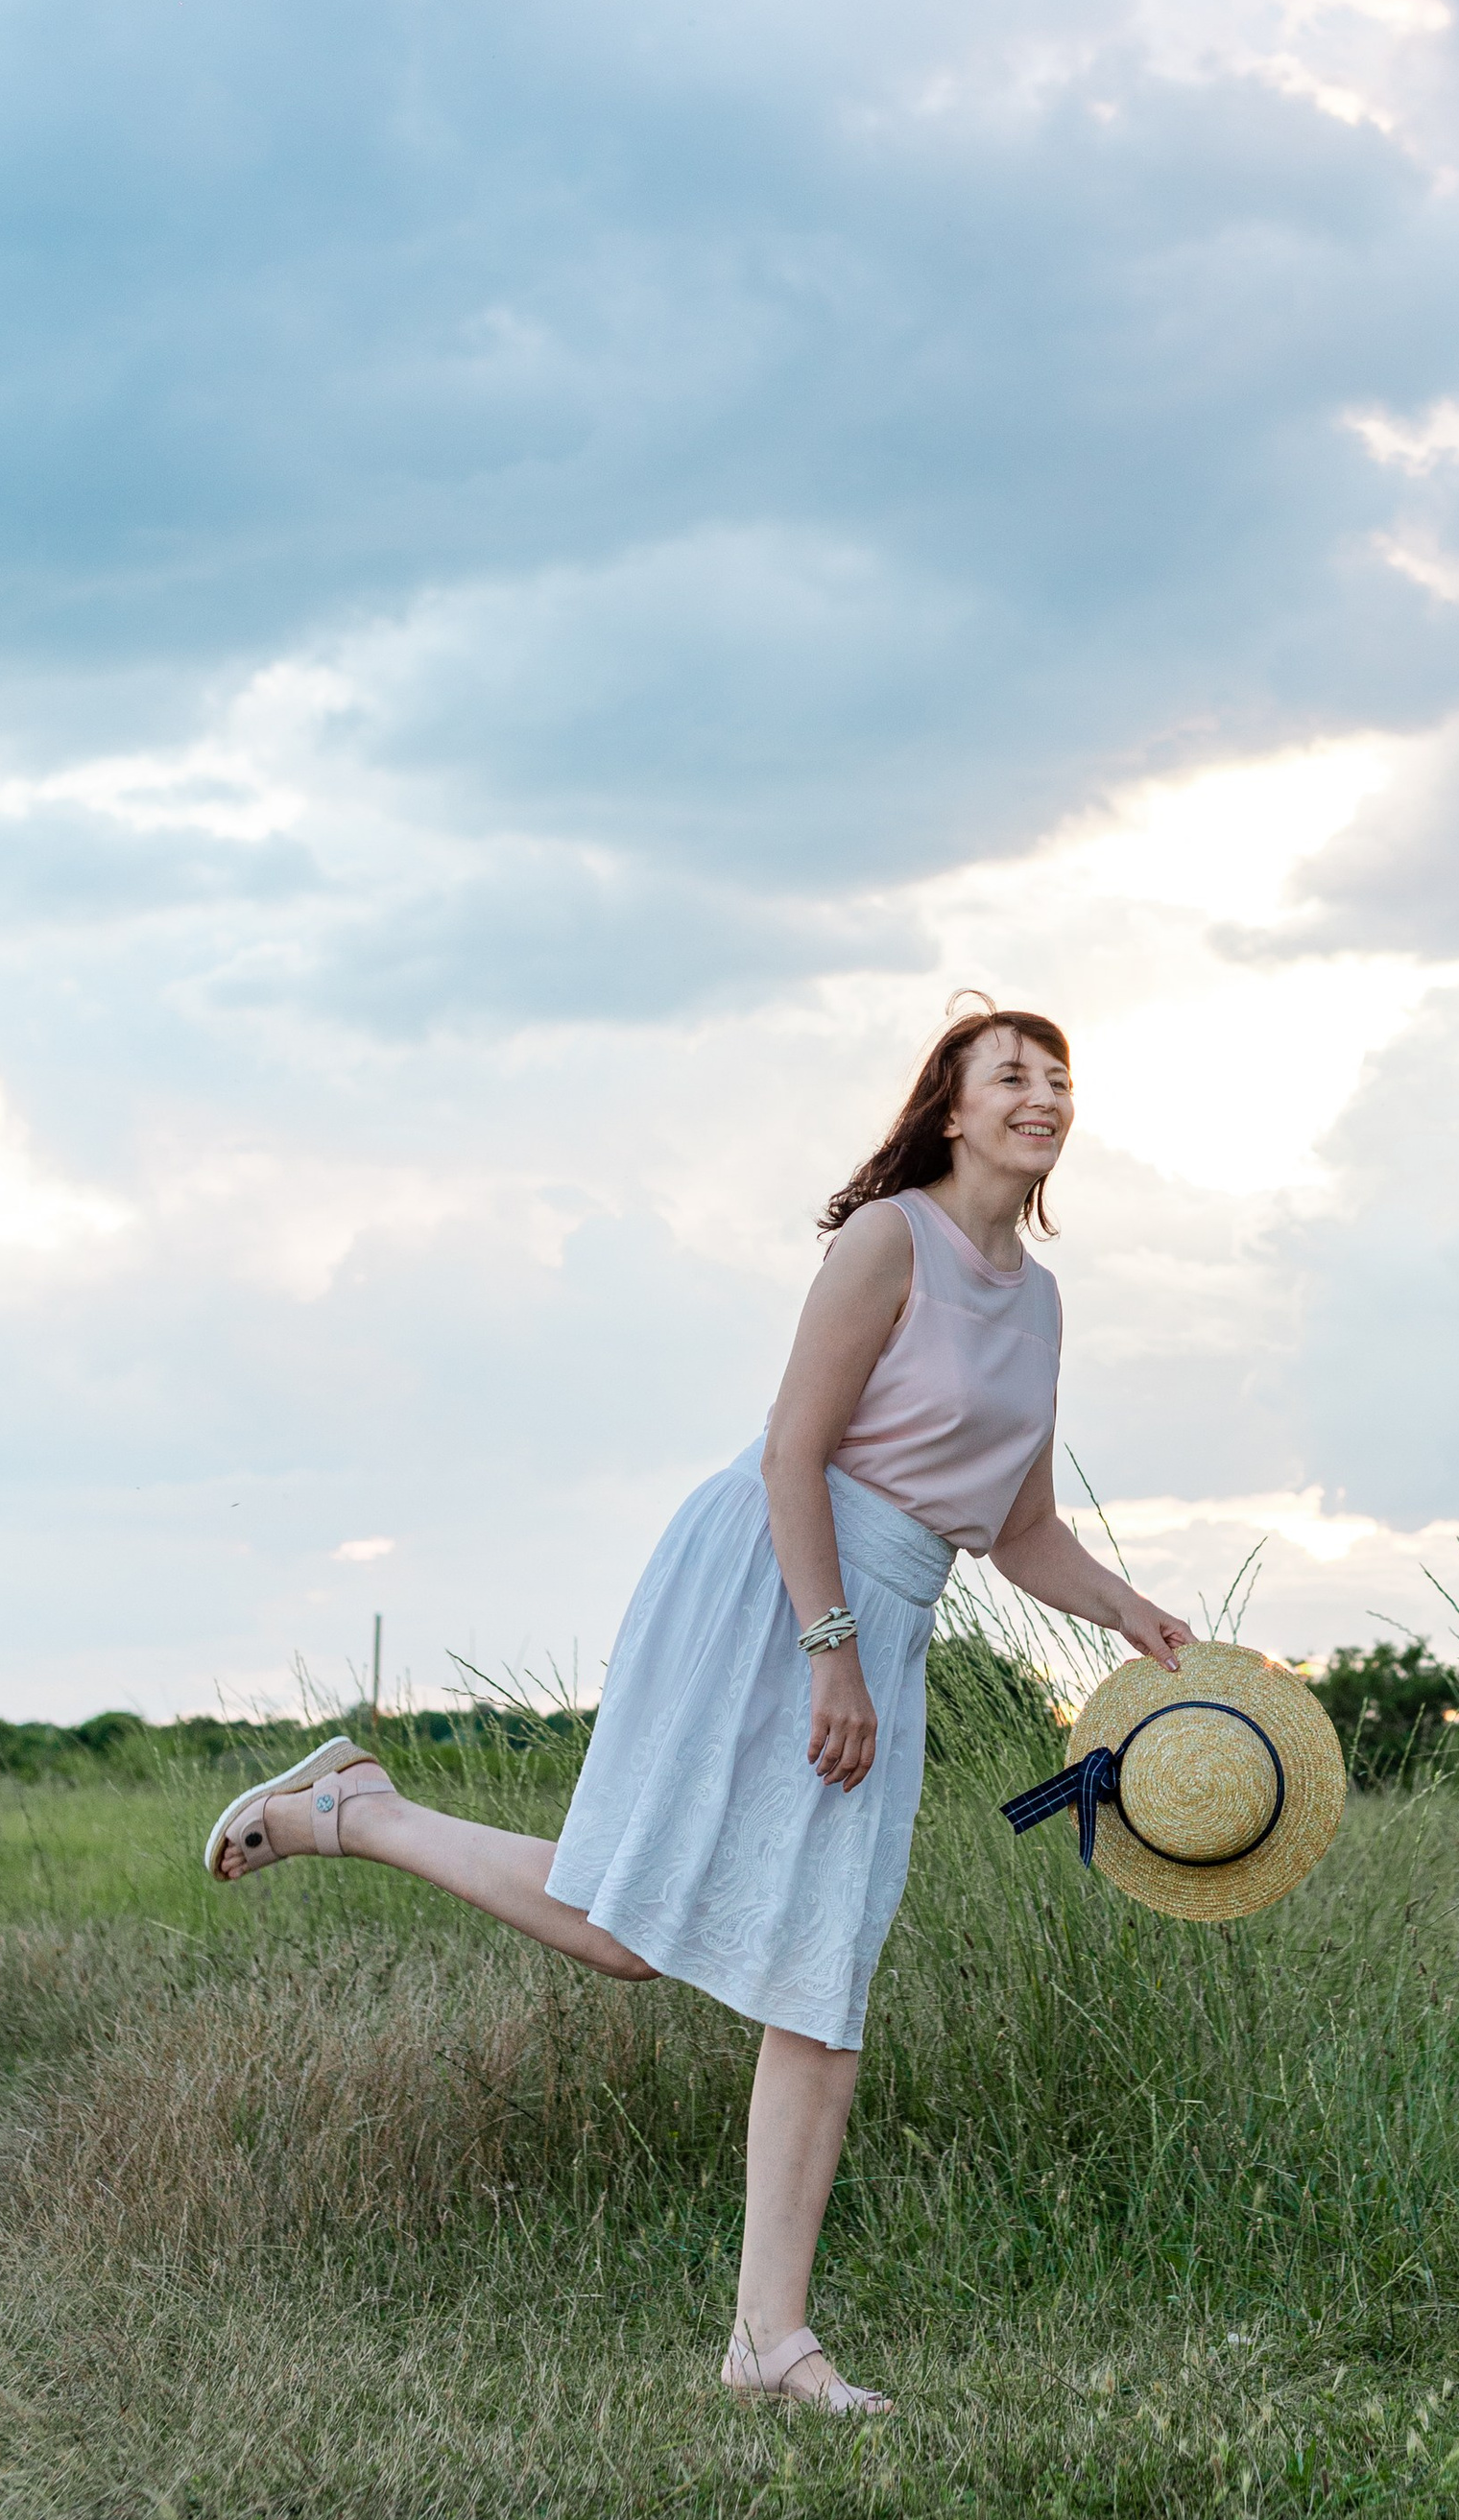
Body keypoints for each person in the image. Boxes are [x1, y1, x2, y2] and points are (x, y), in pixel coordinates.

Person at [201, 1003, 1192, 2413]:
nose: (1043, 1095)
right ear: (954, 1112)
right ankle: (356, 1815)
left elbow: (1018, 1527)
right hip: (778, 1583)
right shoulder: (887, 1239)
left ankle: (765, 2344)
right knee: (629, 1933)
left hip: (890, 1613)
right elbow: (796, 1450)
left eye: (1060, 1078)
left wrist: (1125, 1610)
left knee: (818, 1968)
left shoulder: (1034, 1298)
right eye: (1011, 1076)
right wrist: (829, 1650)